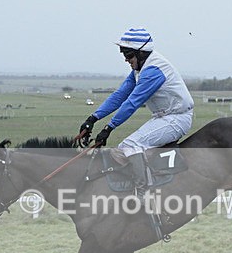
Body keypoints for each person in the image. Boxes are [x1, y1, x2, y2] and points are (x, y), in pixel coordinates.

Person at [79, 27, 194, 196]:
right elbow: (119, 96)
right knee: (122, 149)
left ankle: (144, 193)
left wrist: (108, 128)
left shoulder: (153, 71)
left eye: (128, 55)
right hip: (163, 117)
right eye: (123, 54)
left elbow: (132, 103)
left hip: (176, 119)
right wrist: (92, 118)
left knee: (130, 147)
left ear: (141, 53)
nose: (126, 59)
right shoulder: (140, 69)